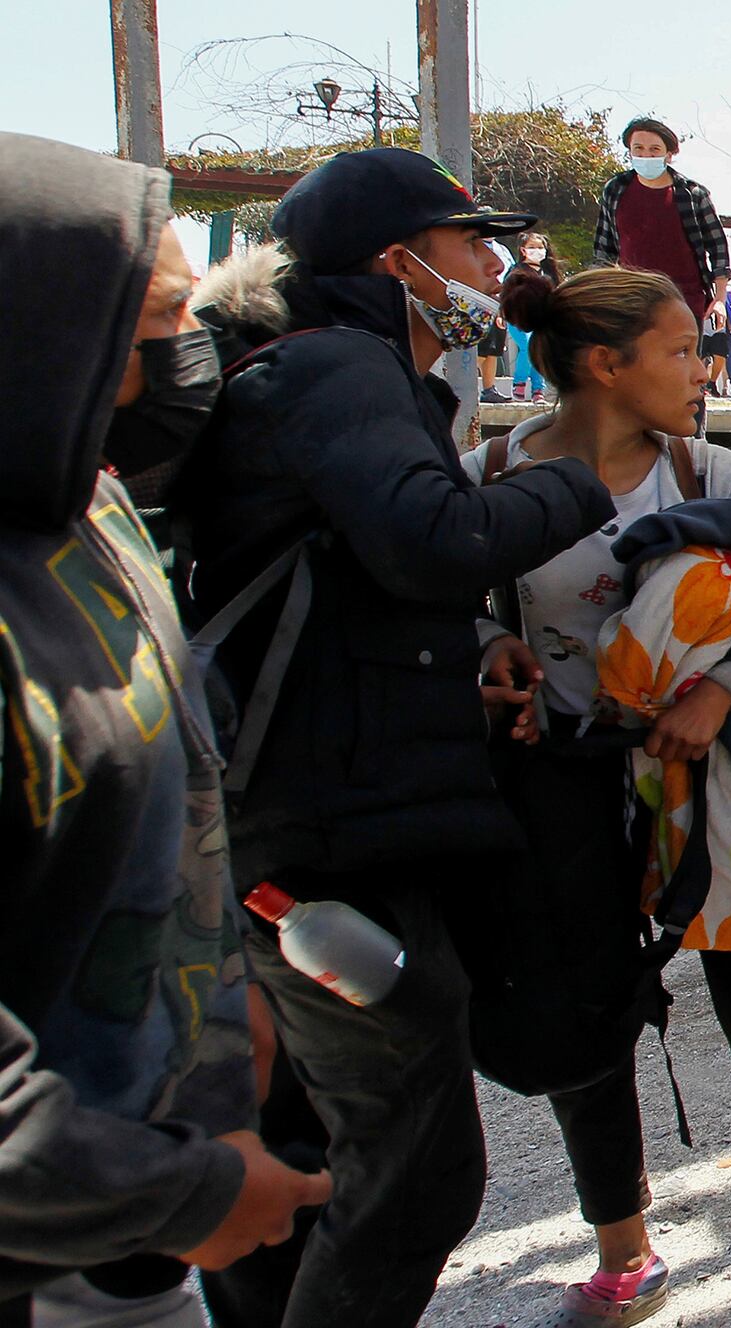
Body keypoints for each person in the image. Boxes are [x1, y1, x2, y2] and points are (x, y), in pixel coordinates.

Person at [184, 147, 617, 1326]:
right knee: (419, 1167)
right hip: (334, 833)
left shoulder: (340, 370)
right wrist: (577, 480)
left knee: (312, 1152)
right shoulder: (338, 366)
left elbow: (341, 568)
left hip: (313, 811)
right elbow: (427, 535)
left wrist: (472, 645)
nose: (492, 265)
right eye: (470, 242)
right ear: (400, 261)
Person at [464, 263, 731, 1325]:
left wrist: (722, 688)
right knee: (587, 1015)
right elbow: (428, 597)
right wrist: (487, 648)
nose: (704, 371)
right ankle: (625, 1252)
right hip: (565, 782)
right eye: (679, 350)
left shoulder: (706, 473)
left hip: (713, 781)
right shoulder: (489, 472)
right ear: (606, 367)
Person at [0, 129, 333, 1328]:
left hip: (123, 1213)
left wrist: (205, 981)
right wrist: (176, 1189)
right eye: (145, 332)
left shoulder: (80, 504)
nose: (178, 369)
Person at [592, 116, 731, 323]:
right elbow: (603, 251)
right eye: (638, 148)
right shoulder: (615, 189)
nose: (646, 155)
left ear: (669, 154)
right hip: (631, 303)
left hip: (684, 303)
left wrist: (720, 298)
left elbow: (718, 247)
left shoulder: (693, 195)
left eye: (654, 149)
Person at [508, 232, 562, 403]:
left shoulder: (549, 272)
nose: (537, 251)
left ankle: (538, 390)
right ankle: (519, 385)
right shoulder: (516, 271)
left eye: (540, 247)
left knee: (539, 351)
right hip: (518, 317)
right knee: (527, 347)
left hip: (541, 319)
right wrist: (502, 314)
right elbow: (506, 295)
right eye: (532, 247)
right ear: (523, 250)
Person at [704, 272, 731, 393]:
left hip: (720, 327)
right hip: (704, 324)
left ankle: (712, 382)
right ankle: (701, 384)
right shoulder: (704, 288)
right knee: (701, 354)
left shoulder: (730, 293)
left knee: (720, 355)